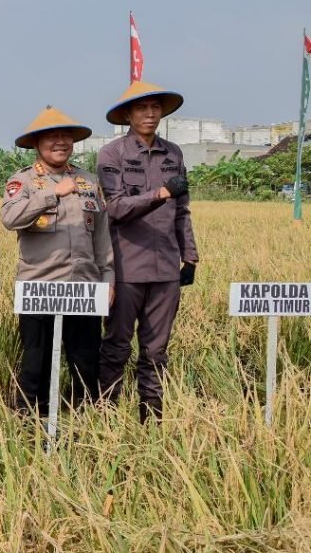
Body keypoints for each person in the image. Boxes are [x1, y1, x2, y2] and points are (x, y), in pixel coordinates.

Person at [0, 106, 114, 415]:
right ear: (37, 143)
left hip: (83, 287)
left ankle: (85, 423)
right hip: (40, 287)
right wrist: (53, 195)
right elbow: (9, 218)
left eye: (66, 136)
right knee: (36, 363)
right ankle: (28, 425)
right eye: (52, 137)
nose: (60, 142)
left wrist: (108, 279)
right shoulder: (22, 181)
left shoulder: (88, 181)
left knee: (85, 362)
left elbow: (101, 235)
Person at [97, 81, 199, 423]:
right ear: (128, 114)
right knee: (117, 346)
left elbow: (182, 209)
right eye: (142, 108)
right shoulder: (112, 154)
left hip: (167, 268)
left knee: (156, 351)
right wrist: (159, 194)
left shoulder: (174, 154)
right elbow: (117, 208)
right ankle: (108, 417)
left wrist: (191, 255)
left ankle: (151, 419)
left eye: (155, 107)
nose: (150, 113)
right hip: (126, 266)